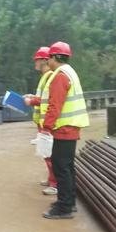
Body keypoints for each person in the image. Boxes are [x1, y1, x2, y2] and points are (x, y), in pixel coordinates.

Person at [41, 41, 89, 219]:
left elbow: (55, 106)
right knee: (67, 167)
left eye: (49, 58)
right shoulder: (70, 72)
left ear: (54, 57)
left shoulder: (60, 76)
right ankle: (69, 202)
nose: (48, 62)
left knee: (61, 168)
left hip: (63, 128)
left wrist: (46, 128)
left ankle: (64, 208)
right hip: (70, 128)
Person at [23, 47, 57, 195]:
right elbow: (43, 97)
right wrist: (33, 97)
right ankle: (51, 179)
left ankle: (55, 184)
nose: (35, 63)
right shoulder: (45, 76)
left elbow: (48, 100)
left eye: (37, 60)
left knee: (49, 154)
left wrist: (31, 101)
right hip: (42, 122)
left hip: (47, 123)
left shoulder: (50, 76)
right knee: (46, 153)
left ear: (44, 60)